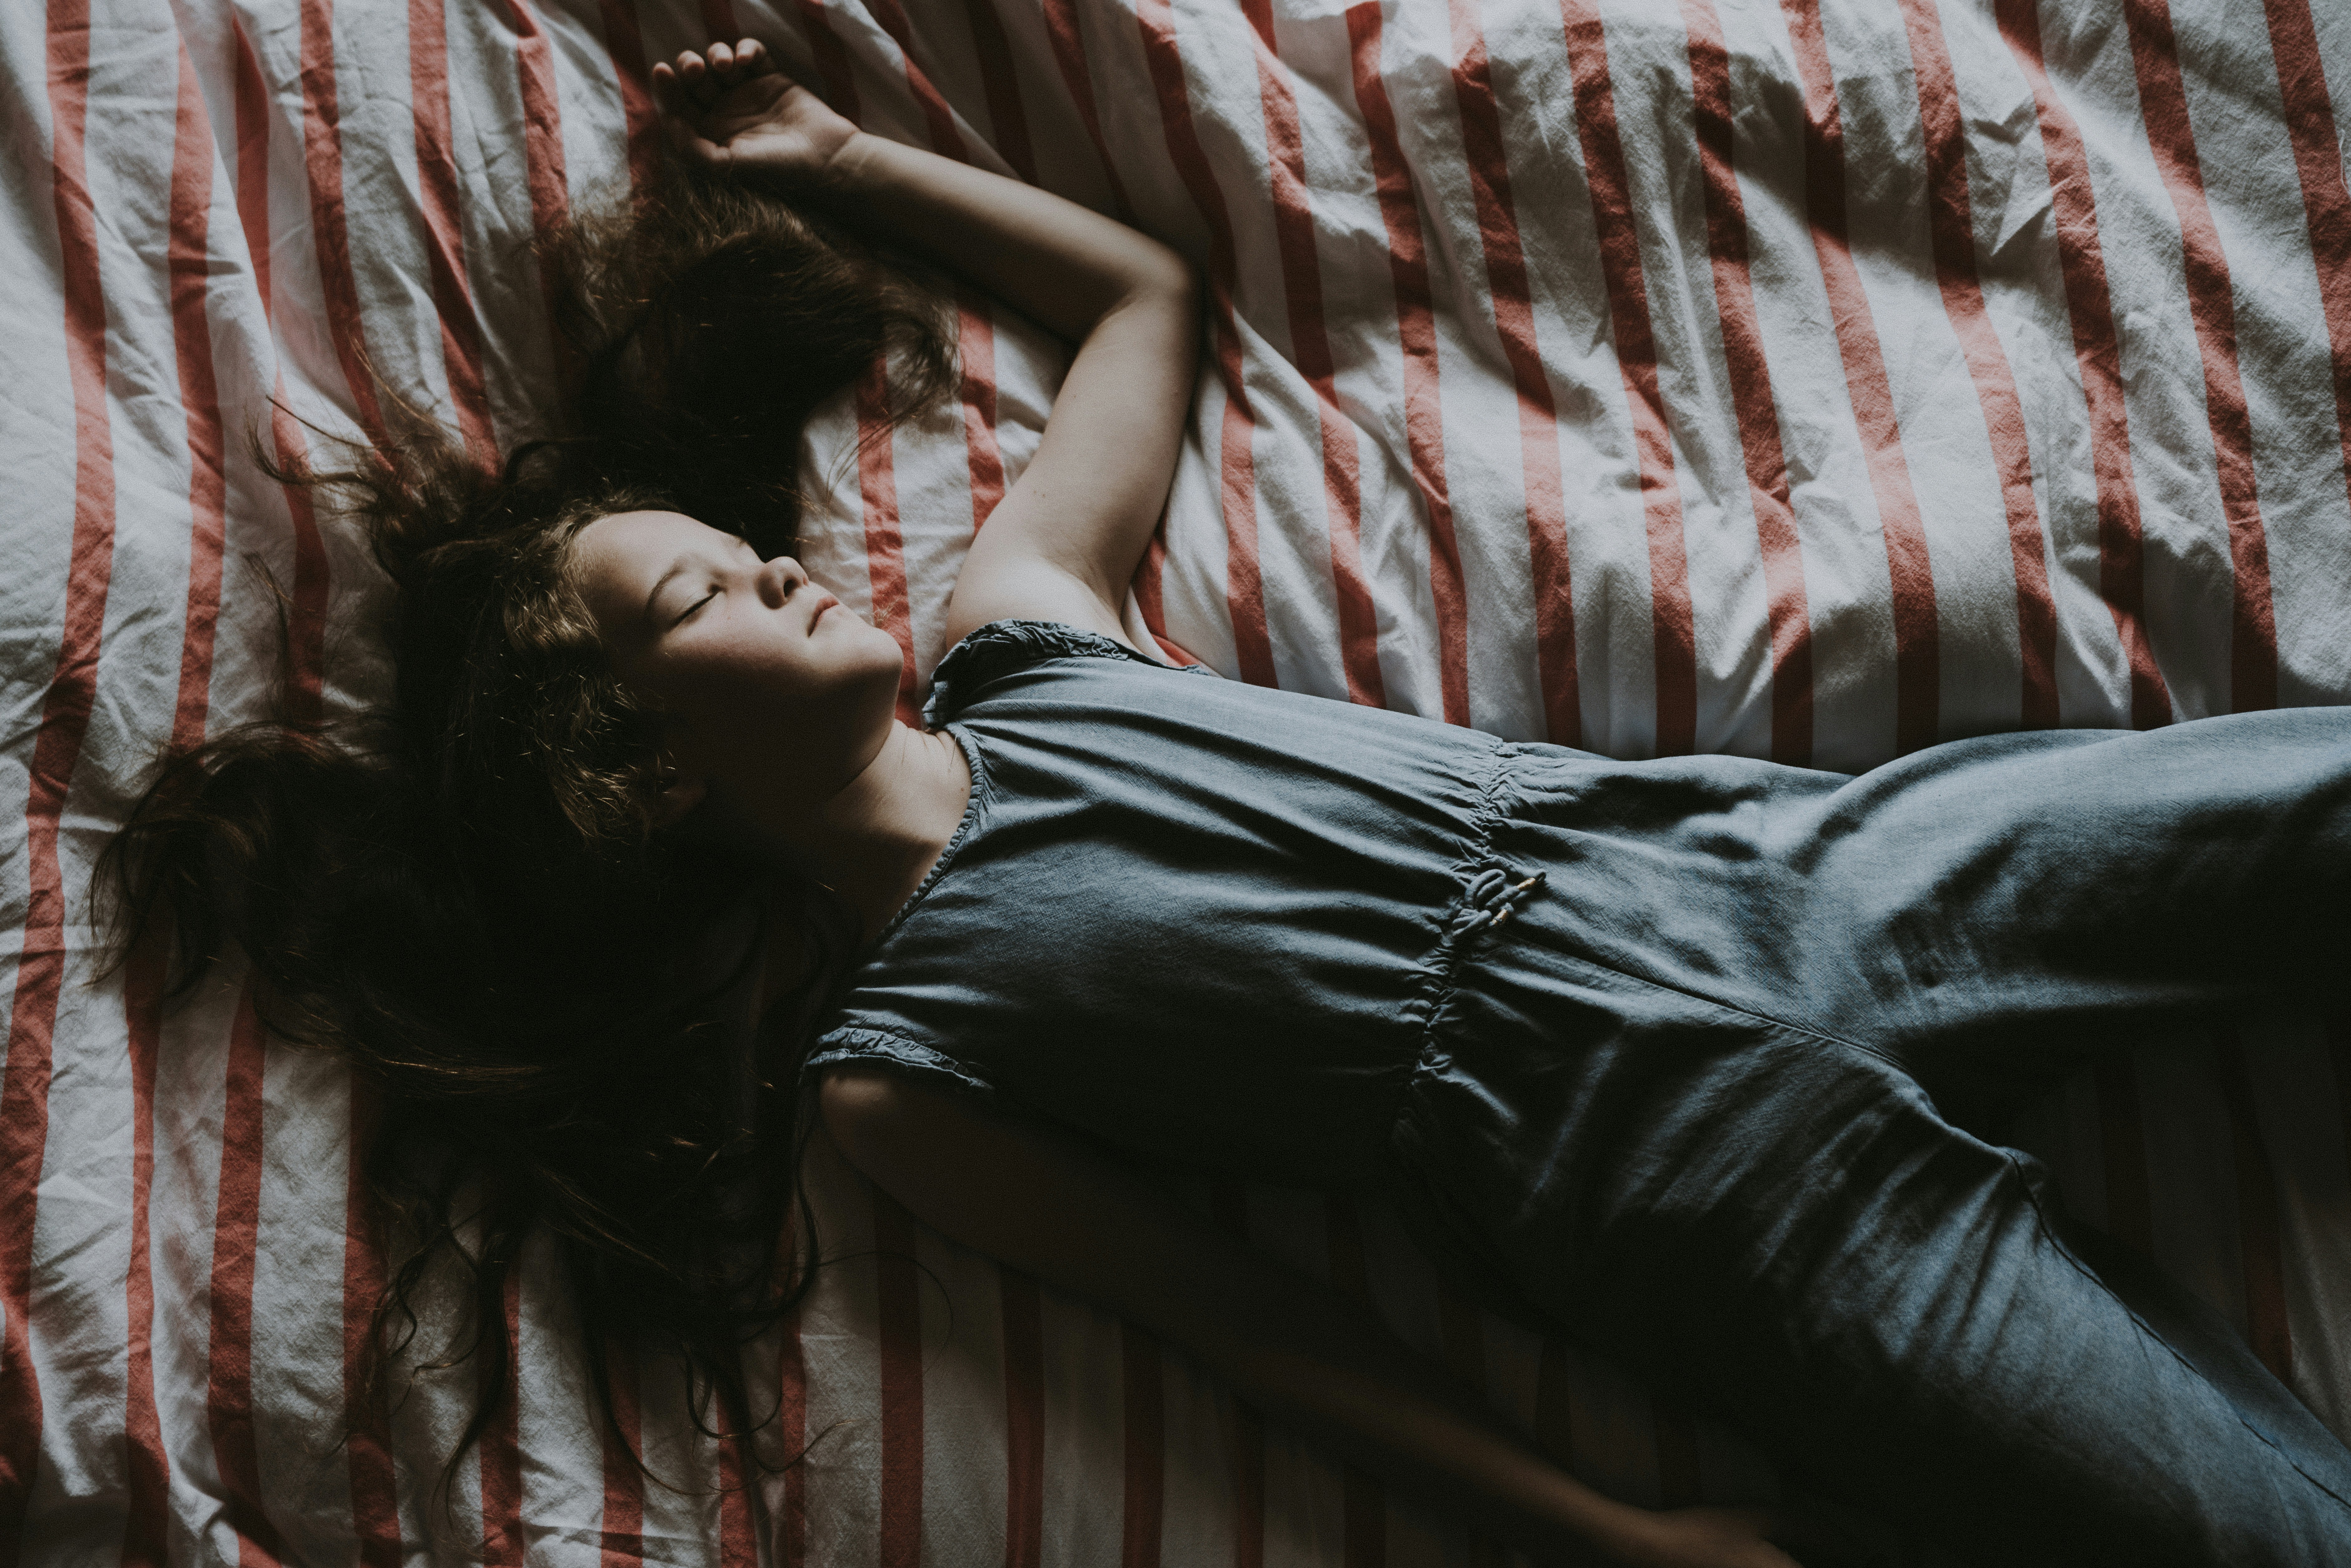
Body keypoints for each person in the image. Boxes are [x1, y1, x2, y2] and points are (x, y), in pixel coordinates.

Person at [109, 39, 2351, 1568]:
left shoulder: (1022, 630)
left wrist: (829, 157)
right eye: (713, 582)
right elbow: (1273, 1339)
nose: (789, 552)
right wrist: (1615, 1533)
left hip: (1801, 885)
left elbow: (1145, 297)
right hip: (1714, 1219)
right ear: (639, 772)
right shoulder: (905, 1078)